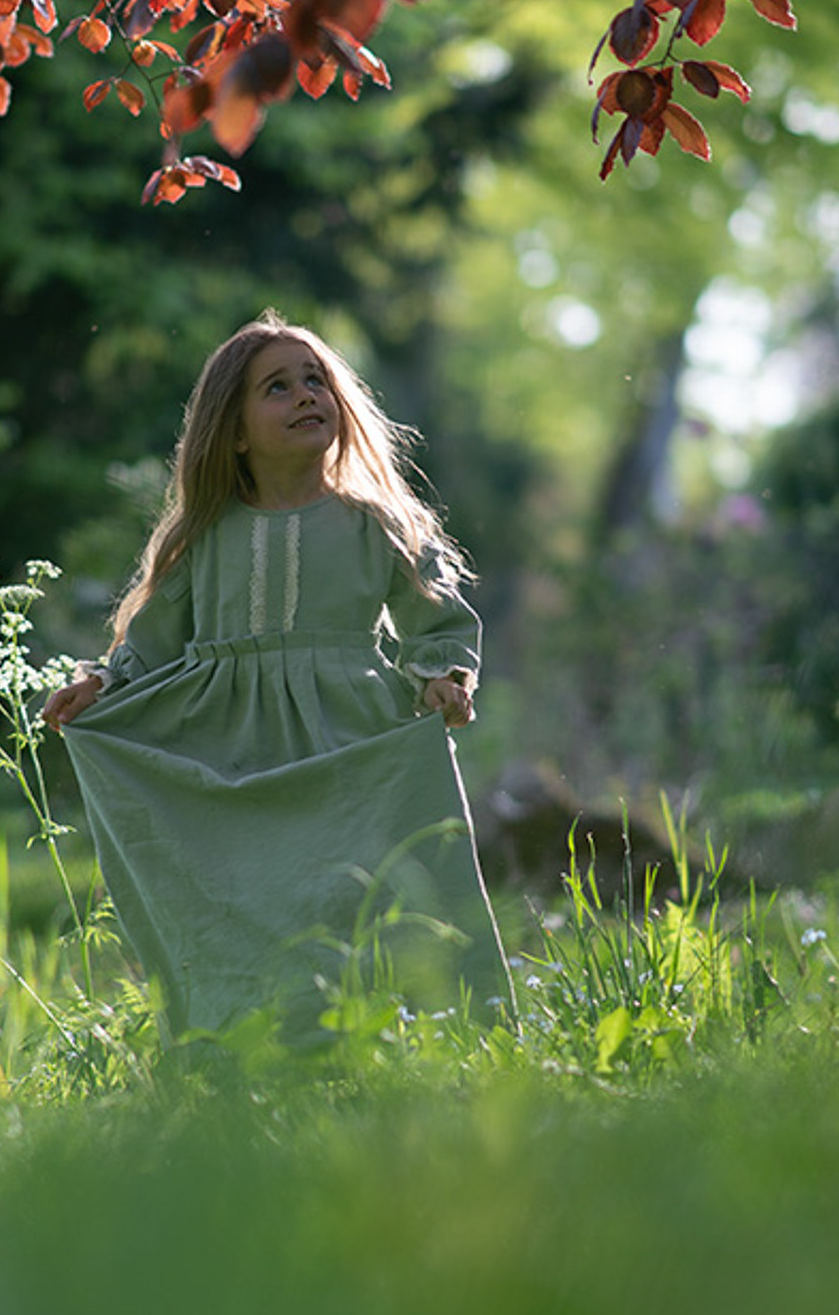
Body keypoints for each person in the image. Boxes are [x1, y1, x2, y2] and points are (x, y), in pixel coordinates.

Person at [41, 313, 512, 1038]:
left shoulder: (377, 523)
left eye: (315, 379)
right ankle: (254, 1035)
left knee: (366, 885)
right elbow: (153, 642)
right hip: (230, 745)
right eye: (278, 387)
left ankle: (417, 1024)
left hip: (353, 737)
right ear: (234, 432)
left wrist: (442, 674)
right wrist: (103, 686)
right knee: (253, 893)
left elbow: (437, 614)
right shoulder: (203, 536)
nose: (305, 396)